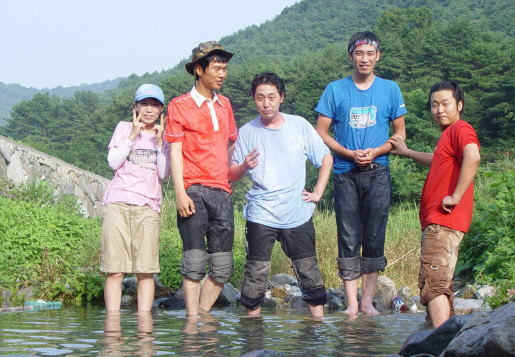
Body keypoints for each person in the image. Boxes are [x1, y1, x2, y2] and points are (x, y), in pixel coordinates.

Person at [315, 31, 406, 316]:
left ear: (378, 56)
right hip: (345, 172)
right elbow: (321, 131)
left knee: (375, 235)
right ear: (351, 56)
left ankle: (367, 301)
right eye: (359, 53)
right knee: (349, 236)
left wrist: (377, 151)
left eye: (370, 53)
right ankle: (352, 303)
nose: (364, 59)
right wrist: (348, 152)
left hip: (378, 172)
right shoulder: (335, 89)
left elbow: (400, 133)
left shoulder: (390, 89)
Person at [230, 73, 333, 318]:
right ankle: (251, 331)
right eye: (260, 98)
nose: (266, 103)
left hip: (296, 212)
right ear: (254, 100)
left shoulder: (299, 125)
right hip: (261, 213)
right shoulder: (247, 131)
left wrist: (318, 192)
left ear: (281, 98)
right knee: (255, 272)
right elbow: (233, 174)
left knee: (308, 270)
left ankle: (317, 325)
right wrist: (244, 165)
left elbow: (325, 157)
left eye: (271, 97)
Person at [388, 81, 481, 328]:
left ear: (459, 105)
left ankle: (439, 343)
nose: (439, 109)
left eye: (446, 103)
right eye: (434, 105)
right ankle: (445, 342)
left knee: (434, 282)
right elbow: (438, 159)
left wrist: (456, 196)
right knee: (439, 282)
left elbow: (473, 156)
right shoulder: (448, 137)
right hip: (441, 221)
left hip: (444, 220)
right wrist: (407, 152)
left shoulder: (461, 128)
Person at [165, 41, 238, 316]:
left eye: (225, 68)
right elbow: (175, 151)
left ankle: (201, 314)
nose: (222, 74)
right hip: (193, 188)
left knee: (222, 265)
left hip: (222, 191)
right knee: (194, 260)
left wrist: (228, 176)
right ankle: (192, 321)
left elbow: (231, 142)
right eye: (217, 68)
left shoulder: (225, 105)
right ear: (199, 69)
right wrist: (180, 193)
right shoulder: (179, 106)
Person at [101, 83, 170, 312]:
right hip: (118, 202)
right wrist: (132, 135)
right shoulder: (123, 128)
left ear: (161, 109)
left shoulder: (165, 136)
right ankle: (112, 326)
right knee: (115, 269)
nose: (148, 109)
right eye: (144, 104)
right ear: (136, 107)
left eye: (154, 105)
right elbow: (113, 163)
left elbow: (163, 173)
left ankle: (144, 325)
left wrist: (160, 144)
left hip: (148, 206)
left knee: (145, 270)